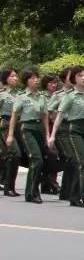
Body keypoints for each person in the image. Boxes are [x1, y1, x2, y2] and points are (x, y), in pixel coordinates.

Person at [48, 66, 84, 207]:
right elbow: (59, 116)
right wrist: (52, 135)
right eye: (80, 76)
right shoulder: (69, 96)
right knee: (82, 162)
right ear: (74, 79)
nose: (83, 78)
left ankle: (82, 194)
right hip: (73, 128)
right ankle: (78, 195)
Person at [6, 69, 45, 202]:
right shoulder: (22, 97)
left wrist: (48, 134)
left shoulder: (41, 96)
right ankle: (32, 192)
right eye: (33, 78)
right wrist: (10, 135)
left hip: (39, 128)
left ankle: (33, 191)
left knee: (41, 160)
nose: (36, 80)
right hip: (27, 128)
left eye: (37, 78)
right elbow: (14, 116)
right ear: (27, 81)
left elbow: (45, 116)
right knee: (36, 159)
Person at [39, 74, 62, 197]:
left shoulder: (58, 96)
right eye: (50, 83)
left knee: (54, 155)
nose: (53, 85)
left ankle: (48, 182)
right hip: (43, 127)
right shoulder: (41, 96)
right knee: (50, 154)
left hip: (55, 127)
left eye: (55, 83)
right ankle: (50, 182)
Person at [0, 68, 20, 196]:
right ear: (6, 79)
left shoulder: (19, 94)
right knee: (15, 153)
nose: (16, 78)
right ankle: (8, 186)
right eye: (12, 76)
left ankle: (10, 186)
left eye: (16, 76)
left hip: (19, 125)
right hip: (6, 124)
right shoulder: (2, 95)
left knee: (15, 156)